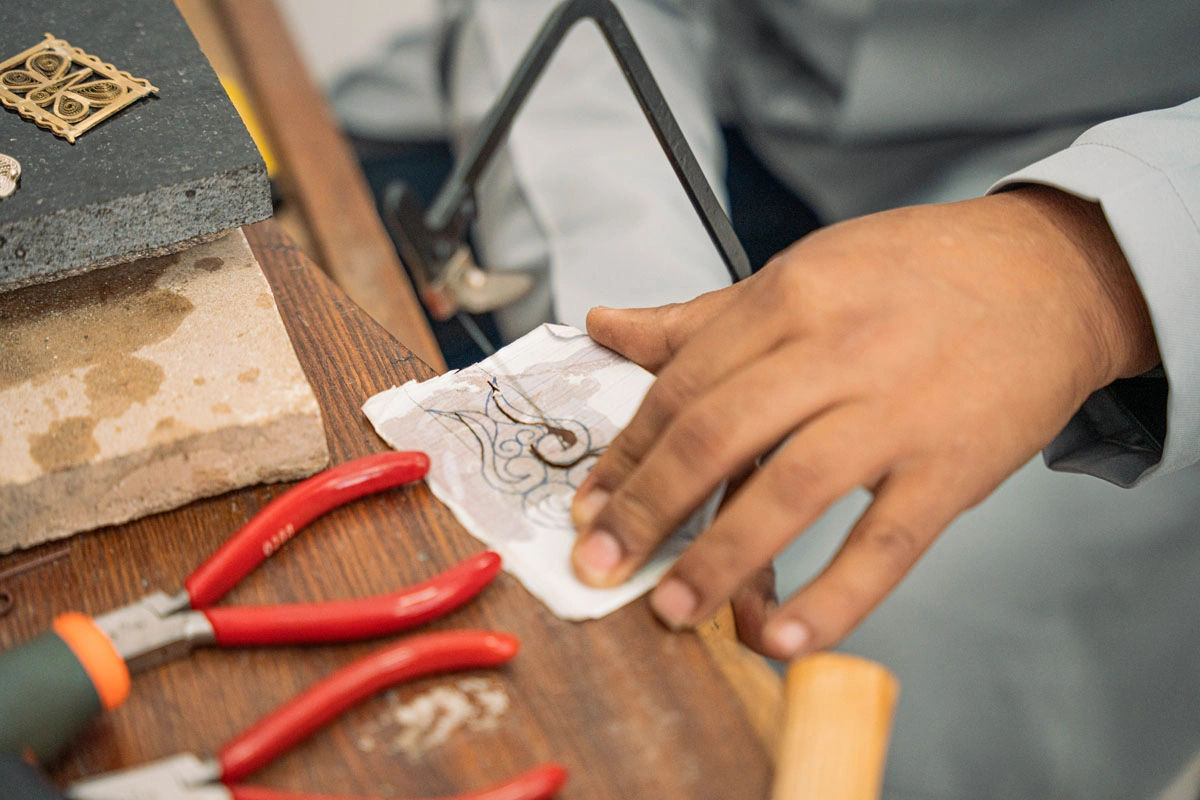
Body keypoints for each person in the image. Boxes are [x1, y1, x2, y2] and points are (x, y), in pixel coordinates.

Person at [329, 1, 1200, 797]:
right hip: (690, 85)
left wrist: (1096, 271)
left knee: (868, 655)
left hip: (1151, 236)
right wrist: (642, 364)